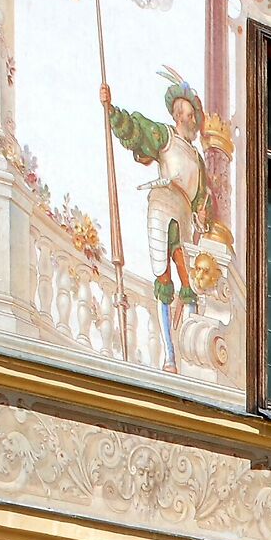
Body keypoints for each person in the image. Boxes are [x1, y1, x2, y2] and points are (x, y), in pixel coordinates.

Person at [101, 71, 215, 373]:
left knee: (188, 279)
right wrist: (113, 112)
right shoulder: (166, 136)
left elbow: (202, 195)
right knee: (163, 274)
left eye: (193, 116)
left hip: (187, 215)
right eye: (188, 115)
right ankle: (169, 355)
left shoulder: (196, 157)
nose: (192, 122)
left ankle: (186, 351)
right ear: (179, 115)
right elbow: (139, 130)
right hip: (165, 203)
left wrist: (203, 210)